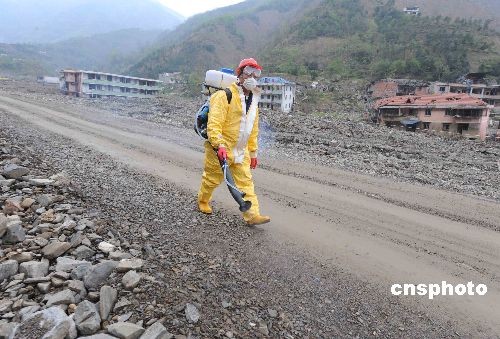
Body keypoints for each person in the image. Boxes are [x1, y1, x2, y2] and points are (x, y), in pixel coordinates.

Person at [197, 58, 271, 226]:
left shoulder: (254, 102)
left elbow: (253, 130)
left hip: (241, 150)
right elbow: (214, 124)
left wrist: (253, 153)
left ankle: (252, 215)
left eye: (256, 73)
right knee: (212, 178)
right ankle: (203, 200)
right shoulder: (224, 96)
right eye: (248, 72)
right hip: (220, 148)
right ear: (240, 74)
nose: (252, 76)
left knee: (246, 182)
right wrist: (219, 145)